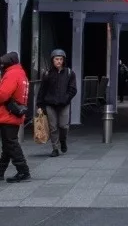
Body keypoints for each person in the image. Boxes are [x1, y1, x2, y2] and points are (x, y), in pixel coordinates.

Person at [37, 48, 77, 156]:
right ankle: (55, 148)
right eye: (56, 59)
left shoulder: (69, 73)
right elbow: (42, 90)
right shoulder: (47, 74)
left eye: (60, 59)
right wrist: (39, 105)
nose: (58, 61)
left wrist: (66, 98)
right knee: (53, 127)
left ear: (63, 60)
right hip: (50, 104)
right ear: (52, 60)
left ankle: (63, 140)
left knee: (64, 126)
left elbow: (73, 89)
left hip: (64, 104)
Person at [0, 52, 30, 183]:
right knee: (8, 144)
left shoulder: (11, 74)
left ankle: (23, 170)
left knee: (11, 144)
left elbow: (3, 95)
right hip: (14, 114)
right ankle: (0, 171)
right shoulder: (20, 72)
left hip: (8, 114)